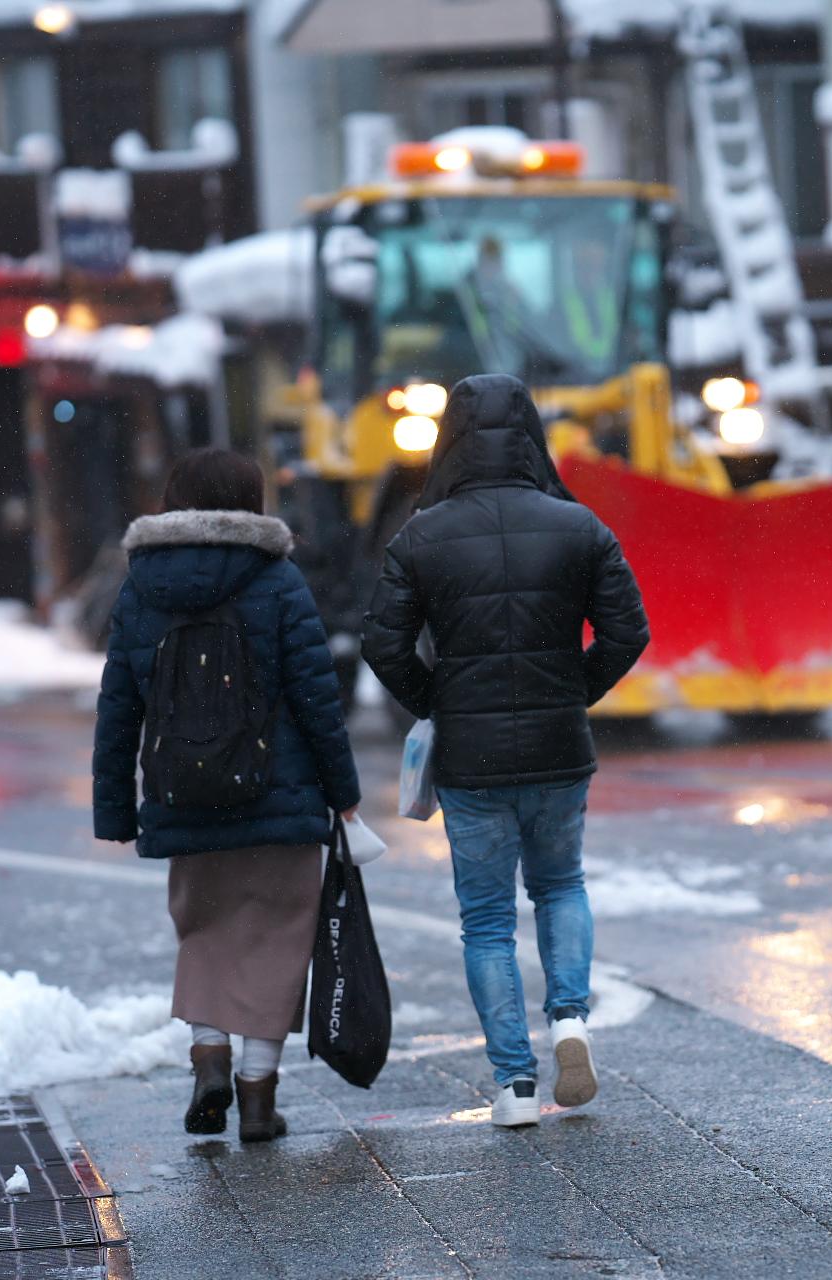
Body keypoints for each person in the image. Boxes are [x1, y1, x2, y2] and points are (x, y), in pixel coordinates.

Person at [360, 374, 649, 1128]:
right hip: (559, 747)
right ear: (531, 434)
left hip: (472, 758)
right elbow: (629, 631)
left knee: (487, 920)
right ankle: (571, 1019)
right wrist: (573, 690)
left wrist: (438, 700)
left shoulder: (419, 536)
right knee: (561, 885)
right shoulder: (579, 526)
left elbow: (382, 645)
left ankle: (516, 1086)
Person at [93, 448, 361, 1144]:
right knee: (276, 941)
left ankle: (208, 1060)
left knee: (204, 934)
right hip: (281, 797)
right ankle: (258, 1100)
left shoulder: (140, 586)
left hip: (184, 798)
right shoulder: (278, 579)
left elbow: (117, 706)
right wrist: (343, 793)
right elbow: (317, 699)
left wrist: (115, 808)